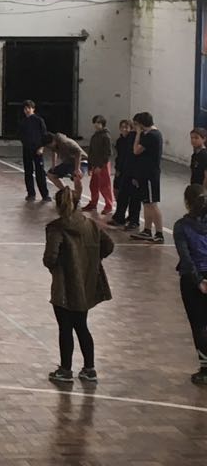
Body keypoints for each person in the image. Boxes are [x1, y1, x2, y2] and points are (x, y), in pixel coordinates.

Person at [43, 187, 114, 385]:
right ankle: (89, 368)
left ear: (59, 206)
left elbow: (50, 257)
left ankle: (66, 369)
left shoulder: (56, 228)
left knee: (65, 328)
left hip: (65, 284)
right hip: (86, 281)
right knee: (82, 325)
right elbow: (108, 246)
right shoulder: (90, 225)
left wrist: (56, 267)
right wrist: (92, 259)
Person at [173, 184, 207, 385]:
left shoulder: (182, 226)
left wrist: (199, 281)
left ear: (187, 202)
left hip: (192, 280)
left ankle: (205, 367)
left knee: (199, 324)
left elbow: (185, 257)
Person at [130, 112, 165, 244]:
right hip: (144, 174)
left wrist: (138, 134)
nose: (135, 127)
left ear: (141, 124)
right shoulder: (149, 134)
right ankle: (147, 230)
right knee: (146, 202)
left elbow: (136, 150)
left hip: (150, 174)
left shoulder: (152, 136)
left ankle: (159, 233)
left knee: (152, 203)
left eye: (136, 125)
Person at [108, 119, 141, 230]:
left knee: (134, 198)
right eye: (122, 127)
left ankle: (134, 220)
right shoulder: (120, 141)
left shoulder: (134, 139)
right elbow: (120, 157)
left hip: (133, 171)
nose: (124, 129)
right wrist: (118, 169)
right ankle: (119, 216)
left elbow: (134, 157)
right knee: (122, 195)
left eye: (127, 127)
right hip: (123, 171)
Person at [19, 100, 51, 202]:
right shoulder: (23, 122)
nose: (27, 110)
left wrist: (41, 147)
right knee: (28, 172)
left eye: (29, 108)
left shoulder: (39, 120)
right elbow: (21, 136)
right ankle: (31, 194)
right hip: (27, 150)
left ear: (33, 109)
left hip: (38, 150)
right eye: (25, 108)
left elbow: (44, 135)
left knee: (40, 172)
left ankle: (45, 195)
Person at [83, 116, 114, 215]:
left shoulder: (106, 136)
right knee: (94, 185)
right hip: (94, 164)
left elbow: (108, 153)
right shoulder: (95, 136)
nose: (96, 125)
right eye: (95, 122)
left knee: (105, 186)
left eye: (98, 123)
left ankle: (109, 205)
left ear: (102, 124)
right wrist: (90, 165)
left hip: (102, 165)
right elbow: (91, 151)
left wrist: (100, 166)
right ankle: (93, 203)